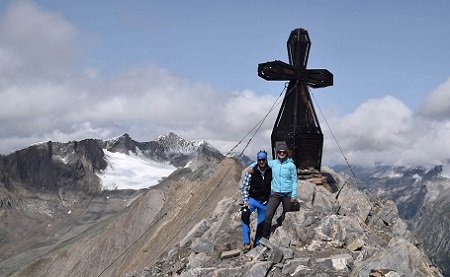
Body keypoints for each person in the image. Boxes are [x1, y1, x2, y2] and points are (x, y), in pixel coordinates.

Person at [261, 143, 298, 239]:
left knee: (286, 216)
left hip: (287, 195)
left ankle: (284, 237)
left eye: (283, 152)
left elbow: (294, 181)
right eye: (280, 152)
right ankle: (264, 237)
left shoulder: (291, 165)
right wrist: (251, 167)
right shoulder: (273, 163)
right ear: (277, 153)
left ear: (286, 152)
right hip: (275, 194)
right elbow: (261, 164)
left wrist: (294, 195)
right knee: (268, 215)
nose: (281, 153)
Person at [240, 150, 272, 252]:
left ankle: (257, 244)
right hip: (252, 200)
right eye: (259, 160)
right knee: (244, 215)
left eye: (263, 159)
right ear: (257, 160)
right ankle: (246, 242)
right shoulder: (252, 171)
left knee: (261, 224)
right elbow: (244, 187)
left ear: (266, 160)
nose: (261, 161)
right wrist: (246, 201)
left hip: (264, 202)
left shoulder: (270, 171)